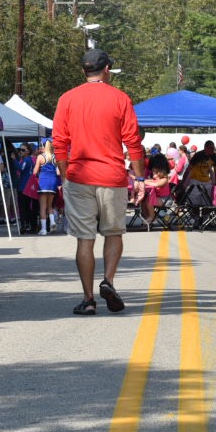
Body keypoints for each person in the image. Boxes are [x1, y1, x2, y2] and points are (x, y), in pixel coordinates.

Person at [52, 49, 146, 316]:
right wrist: (139, 178)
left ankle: (88, 298)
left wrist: (64, 173)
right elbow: (132, 141)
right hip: (112, 177)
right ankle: (109, 281)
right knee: (113, 233)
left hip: (79, 176)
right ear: (106, 70)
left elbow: (59, 142)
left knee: (85, 239)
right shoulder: (120, 98)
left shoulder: (67, 99)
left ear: (84, 71)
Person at [35, 142, 61, 235]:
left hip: (43, 182)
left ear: (44, 147)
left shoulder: (40, 157)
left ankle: (44, 229)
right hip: (53, 182)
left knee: (43, 207)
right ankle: (52, 222)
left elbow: (35, 171)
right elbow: (58, 172)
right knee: (50, 206)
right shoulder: (55, 157)